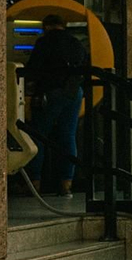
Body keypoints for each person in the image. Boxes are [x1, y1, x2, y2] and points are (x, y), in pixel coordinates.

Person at [23, 14, 87, 197]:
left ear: (46, 26)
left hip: (51, 92)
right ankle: (66, 183)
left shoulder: (44, 42)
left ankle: (34, 182)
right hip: (75, 92)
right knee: (68, 135)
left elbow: (32, 69)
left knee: (39, 135)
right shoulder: (76, 42)